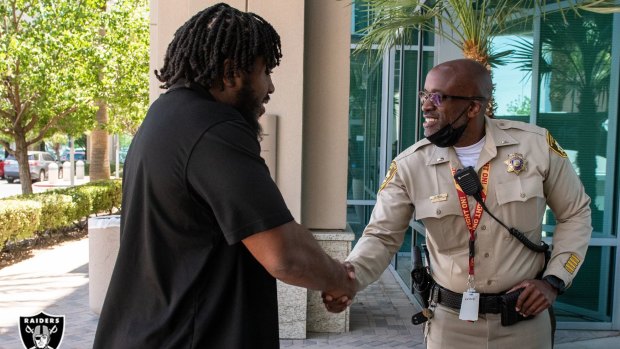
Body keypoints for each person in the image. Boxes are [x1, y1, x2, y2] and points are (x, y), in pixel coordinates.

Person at [93, 3, 355, 349]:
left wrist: (330, 272)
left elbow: (278, 228)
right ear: (231, 74)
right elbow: (283, 254)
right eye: (266, 71)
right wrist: (339, 280)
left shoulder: (166, 115)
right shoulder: (214, 130)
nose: (271, 87)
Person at [324, 59, 591, 348]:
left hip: (524, 322)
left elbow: (575, 213)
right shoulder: (410, 165)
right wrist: (349, 277)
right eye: (425, 96)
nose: (426, 106)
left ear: (474, 107)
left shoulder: (535, 147)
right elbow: (381, 236)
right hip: (450, 327)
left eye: (438, 97)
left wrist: (554, 280)